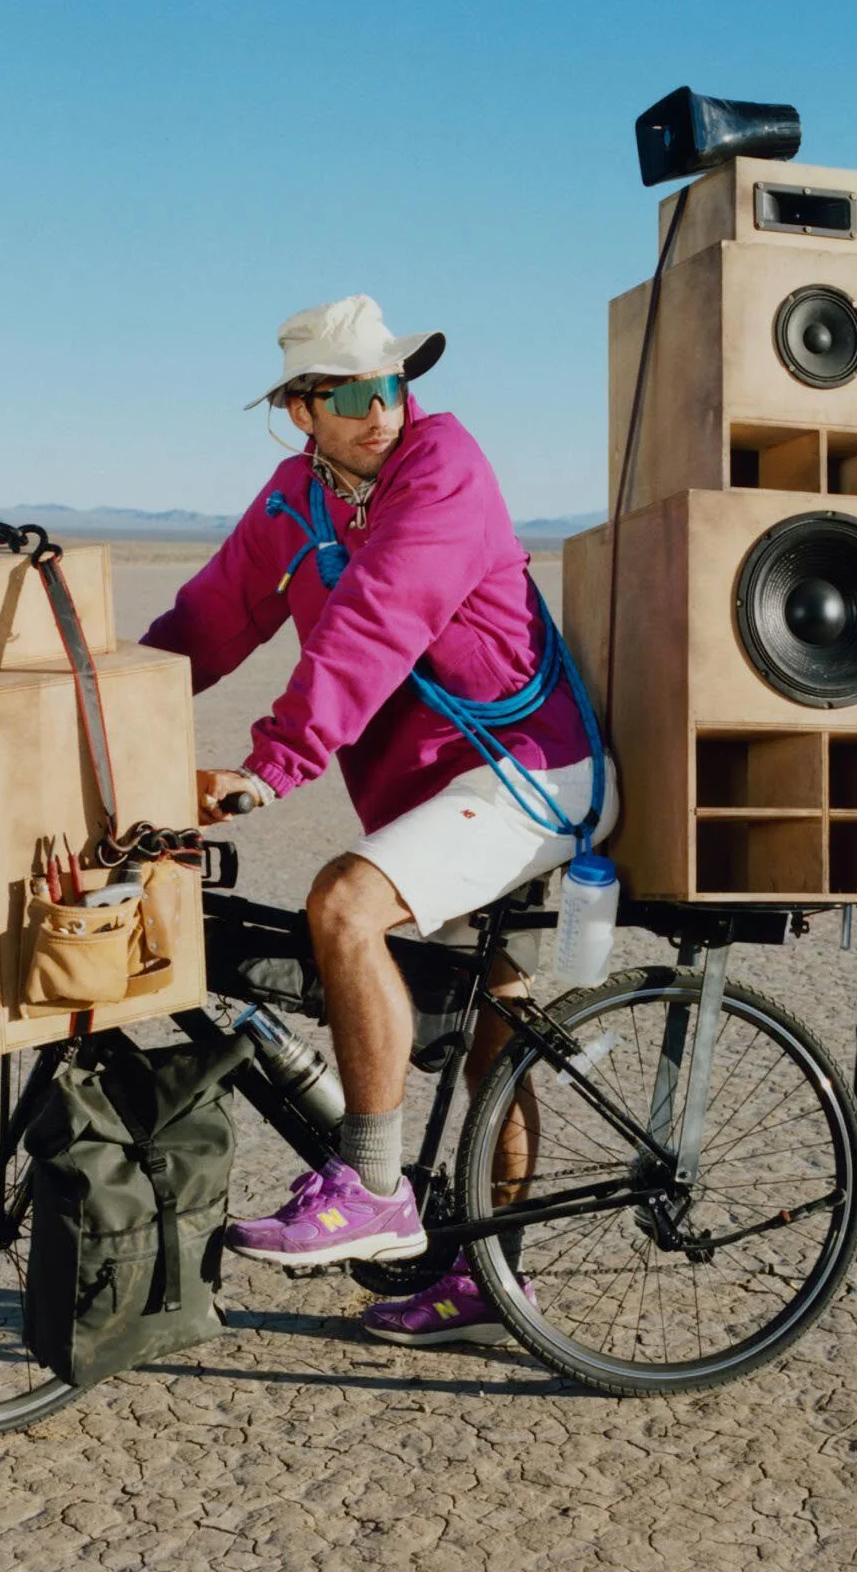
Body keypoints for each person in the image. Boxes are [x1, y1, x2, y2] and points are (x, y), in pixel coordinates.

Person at [139, 294, 617, 1345]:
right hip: (433, 796)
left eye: (393, 383)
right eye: (351, 393)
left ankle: (370, 1182)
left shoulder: (442, 468)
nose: (380, 409)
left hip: (525, 771)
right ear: (299, 409)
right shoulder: (295, 496)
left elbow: (377, 618)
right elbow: (211, 614)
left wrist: (272, 766)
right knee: (493, 1025)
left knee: (343, 906)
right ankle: (491, 1286)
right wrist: (104, 704)